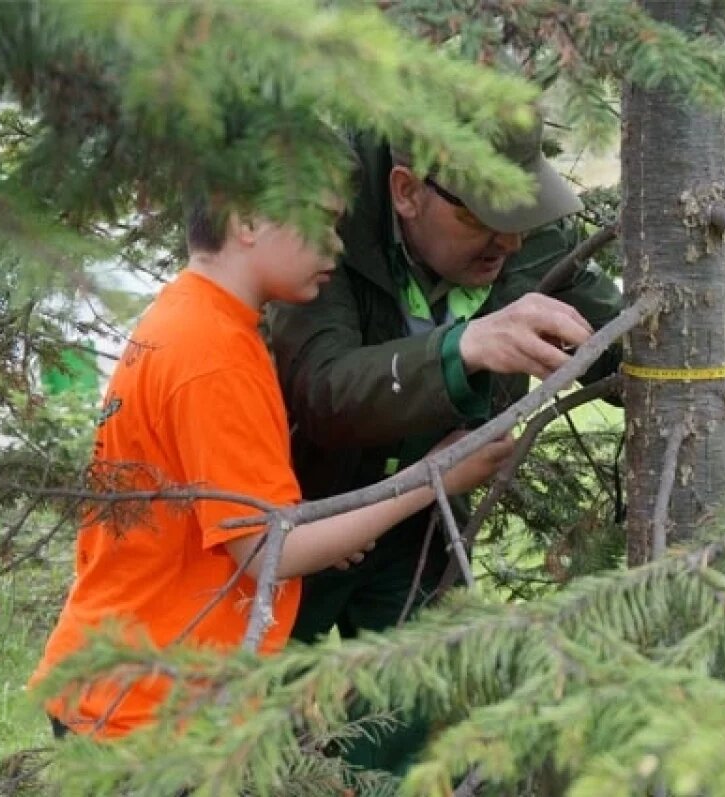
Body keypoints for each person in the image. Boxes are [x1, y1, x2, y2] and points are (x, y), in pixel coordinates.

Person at [29, 197, 515, 740]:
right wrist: (436, 476)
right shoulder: (213, 355)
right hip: (150, 718)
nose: (337, 242)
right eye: (324, 220)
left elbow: (231, 496)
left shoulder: (194, 318)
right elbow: (268, 548)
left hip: (142, 694)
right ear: (247, 221)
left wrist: (316, 525)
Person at [267, 112, 623, 770]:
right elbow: (323, 387)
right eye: (483, 219)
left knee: (423, 720)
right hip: (305, 520)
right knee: (267, 736)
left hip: (426, 523)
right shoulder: (323, 211)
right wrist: (466, 349)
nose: (508, 244)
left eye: (520, 216)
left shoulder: (524, 234)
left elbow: (615, 344)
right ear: (406, 191)